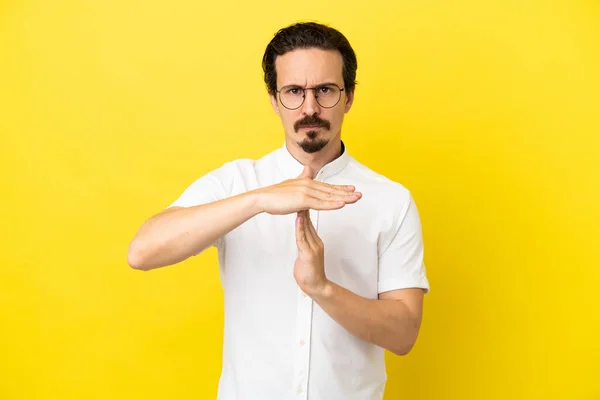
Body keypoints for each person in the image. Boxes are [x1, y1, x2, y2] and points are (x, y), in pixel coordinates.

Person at [128, 21, 430, 400]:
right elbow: (142, 252)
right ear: (274, 99)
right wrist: (259, 200)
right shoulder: (238, 182)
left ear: (349, 96)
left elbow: (403, 334)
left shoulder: (391, 200)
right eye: (293, 91)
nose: (310, 108)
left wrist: (323, 289)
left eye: (325, 90)